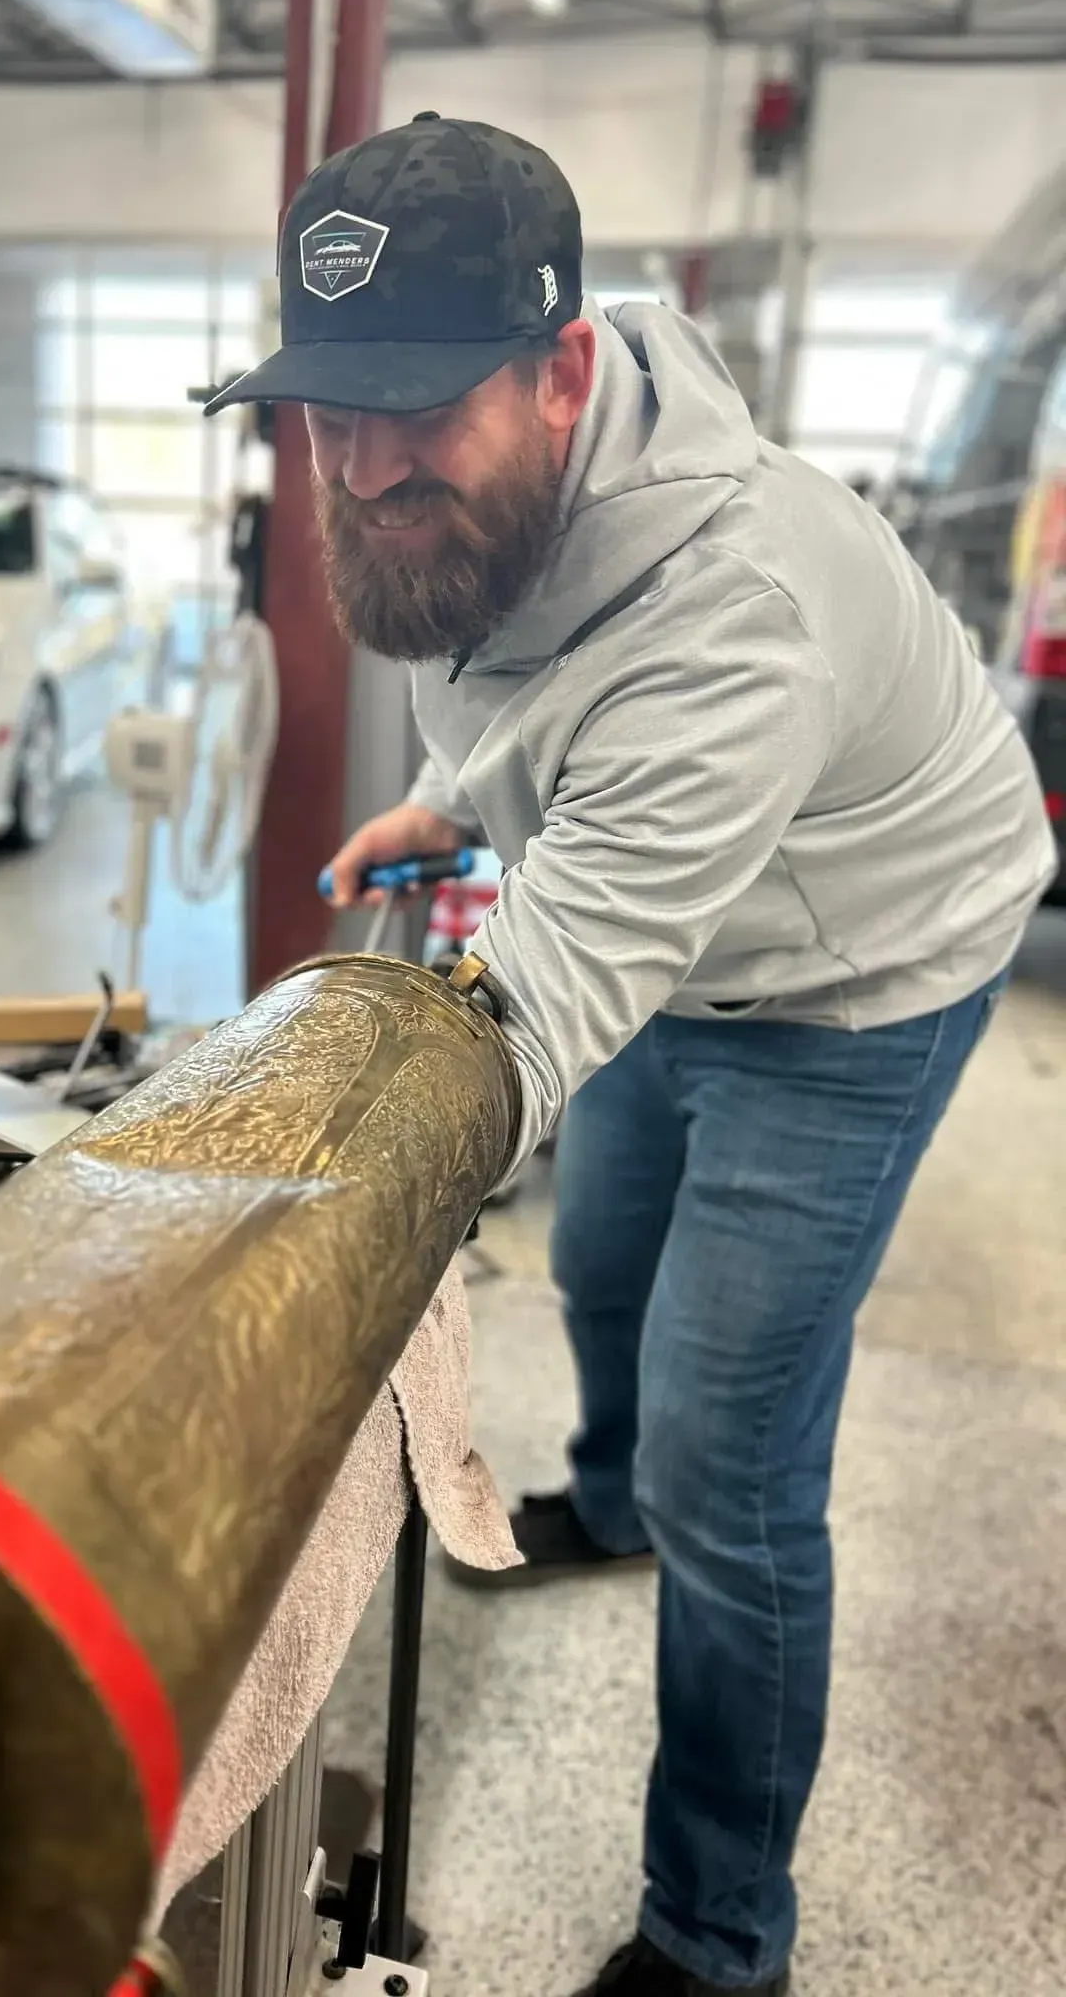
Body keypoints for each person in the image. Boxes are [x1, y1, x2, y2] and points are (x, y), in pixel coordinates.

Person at [206, 113, 1055, 1997]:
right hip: (699, 914)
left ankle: (719, 1935)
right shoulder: (493, 487)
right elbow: (509, 679)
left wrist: (265, 1186)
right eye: (326, 409)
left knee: (736, 1457)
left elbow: (535, 1010)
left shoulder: (727, 614)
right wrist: (445, 804)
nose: (357, 464)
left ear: (563, 371)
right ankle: (609, 1495)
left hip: (859, 970)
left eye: (412, 410)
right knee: (600, 1265)